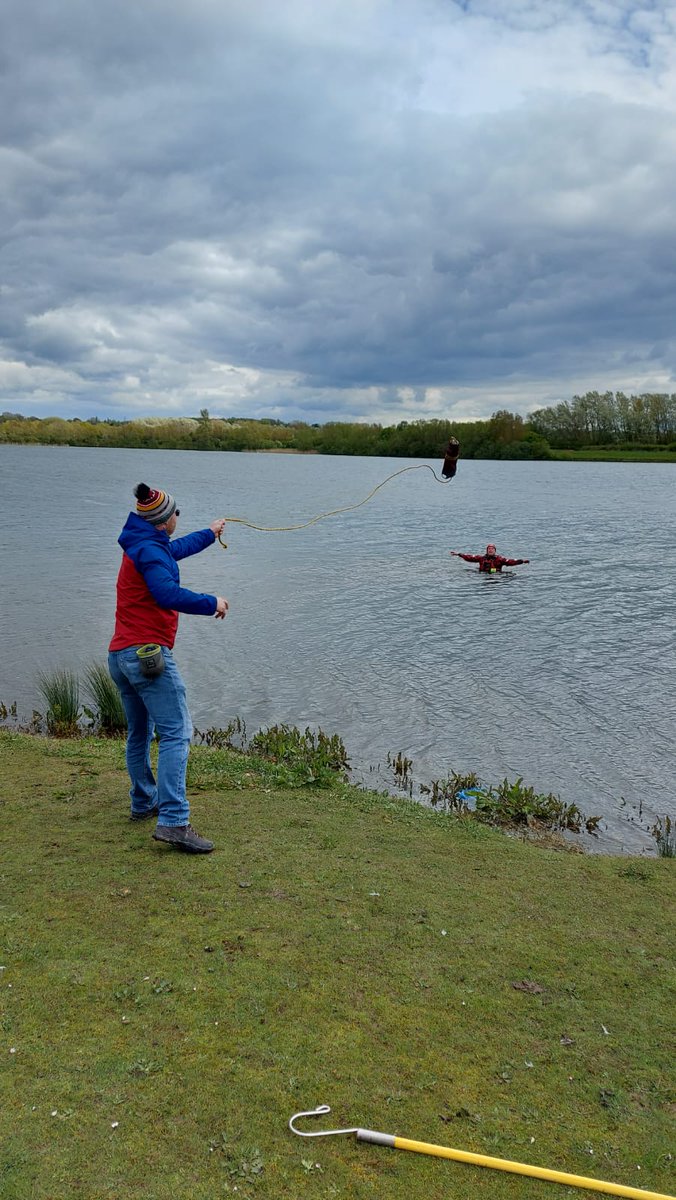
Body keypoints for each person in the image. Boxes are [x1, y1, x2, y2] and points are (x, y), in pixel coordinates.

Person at [108, 482, 229, 854]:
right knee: (177, 733)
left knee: (140, 732)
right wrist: (213, 603)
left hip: (120, 655)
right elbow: (166, 593)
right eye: (176, 513)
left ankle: (144, 801)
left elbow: (174, 551)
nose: (179, 517)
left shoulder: (144, 543)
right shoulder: (152, 550)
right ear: (163, 520)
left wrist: (209, 534)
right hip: (148, 656)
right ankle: (175, 821)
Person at [451, 544, 530, 573]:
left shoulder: (500, 559)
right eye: (489, 549)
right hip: (483, 574)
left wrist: (522, 561)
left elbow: (511, 561)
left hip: (497, 575)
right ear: (487, 551)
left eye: (492, 549)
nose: (490, 550)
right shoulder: (481, 558)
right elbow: (469, 557)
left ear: (495, 551)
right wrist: (459, 554)